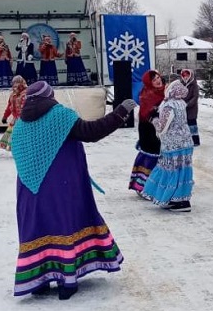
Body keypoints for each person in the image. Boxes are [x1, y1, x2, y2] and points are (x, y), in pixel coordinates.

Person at [10, 81, 136, 299]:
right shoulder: (59, 115)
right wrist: (120, 113)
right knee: (63, 226)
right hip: (60, 185)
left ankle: (38, 280)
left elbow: (17, 152)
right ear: (50, 96)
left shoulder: (20, 124)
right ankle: (66, 281)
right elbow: (91, 132)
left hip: (29, 190)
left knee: (37, 228)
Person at [140, 80, 194, 212]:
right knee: (182, 171)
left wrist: (153, 119)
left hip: (172, 145)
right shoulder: (181, 103)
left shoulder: (169, 105)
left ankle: (176, 200)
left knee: (171, 171)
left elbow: (162, 128)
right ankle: (181, 199)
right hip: (186, 143)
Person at [129, 70, 166, 194]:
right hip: (149, 131)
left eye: (158, 77)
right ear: (149, 83)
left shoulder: (166, 91)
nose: (158, 81)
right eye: (154, 80)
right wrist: (155, 117)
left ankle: (159, 184)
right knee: (151, 156)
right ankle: (143, 186)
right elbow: (147, 113)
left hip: (162, 130)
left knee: (162, 157)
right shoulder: (147, 95)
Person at [0, 75, 27, 151]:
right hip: (15, 119)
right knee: (13, 135)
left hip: (24, 119)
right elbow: (9, 106)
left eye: (17, 84)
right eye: (14, 84)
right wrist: (5, 116)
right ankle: (16, 150)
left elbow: (28, 107)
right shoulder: (13, 94)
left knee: (20, 136)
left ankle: (22, 149)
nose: (15, 86)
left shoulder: (26, 94)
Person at [180, 68, 201, 146]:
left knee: (192, 124)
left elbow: (195, 97)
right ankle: (186, 141)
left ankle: (195, 141)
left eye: (187, 75)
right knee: (184, 125)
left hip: (192, 109)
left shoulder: (194, 84)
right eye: (184, 75)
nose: (185, 77)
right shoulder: (181, 84)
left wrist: (188, 104)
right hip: (182, 108)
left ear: (190, 75)